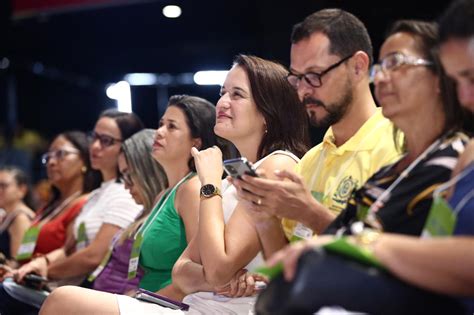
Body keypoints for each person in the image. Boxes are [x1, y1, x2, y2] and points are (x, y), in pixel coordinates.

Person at [258, 18, 474, 314]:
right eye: (381, 66)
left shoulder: (453, 160)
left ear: (441, 75)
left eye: (397, 63)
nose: (382, 77)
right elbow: (341, 237)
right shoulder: (392, 172)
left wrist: (358, 243)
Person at [234, 9, 400, 255]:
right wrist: (263, 217)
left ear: (358, 66)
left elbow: (390, 255)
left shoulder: (397, 145)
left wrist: (310, 213)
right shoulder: (310, 161)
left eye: (313, 75)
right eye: (297, 78)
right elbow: (286, 265)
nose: (303, 91)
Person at [40, 94, 226, 314]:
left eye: (172, 127)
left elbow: (204, 271)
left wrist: (142, 298)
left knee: (62, 298)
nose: (159, 132)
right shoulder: (165, 194)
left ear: (195, 142)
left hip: (173, 304)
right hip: (146, 298)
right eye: (161, 124)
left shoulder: (193, 188)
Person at [0, 110, 143, 315]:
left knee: (6, 293)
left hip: (97, 290)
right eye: (94, 138)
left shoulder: (126, 193)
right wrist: (42, 262)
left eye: (106, 140)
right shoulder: (96, 195)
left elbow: (94, 255)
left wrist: (46, 270)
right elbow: (69, 247)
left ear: (127, 145)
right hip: (69, 285)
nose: (94, 146)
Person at [0, 131, 100, 268]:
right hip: (24, 280)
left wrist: (38, 271)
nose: (51, 162)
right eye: (48, 157)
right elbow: (23, 256)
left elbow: (73, 256)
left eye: (61, 154)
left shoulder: (87, 204)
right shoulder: (48, 207)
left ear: (84, 160)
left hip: (51, 283)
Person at [91, 129, 167, 294]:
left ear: (149, 171)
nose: (126, 186)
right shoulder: (144, 212)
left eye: (129, 176)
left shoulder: (167, 211)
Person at [0, 166, 35, 262]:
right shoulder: (9, 216)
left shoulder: (21, 218)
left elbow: (20, 262)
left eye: (3, 186)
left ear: (22, 190)